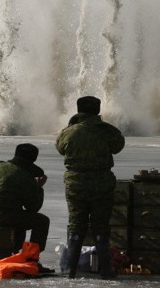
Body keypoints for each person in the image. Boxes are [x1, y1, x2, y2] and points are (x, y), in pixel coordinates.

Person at [56, 96, 125, 279]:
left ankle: (69, 270)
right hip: (101, 183)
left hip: (75, 184)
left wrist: (70, 125)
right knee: (101, 226)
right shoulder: (107, 131)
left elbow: (60, 148)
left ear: (79, 111)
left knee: (76, 225)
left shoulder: (69, 132)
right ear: (98, 110)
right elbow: (118, 146)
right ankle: (106, 270)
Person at [0, 143, 51, 267]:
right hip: (5, 216)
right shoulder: (26, 177)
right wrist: (38, 188)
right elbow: (33, 207)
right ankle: (31, 259)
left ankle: (14, 252)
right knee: (42, 221)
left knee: (18, 217)